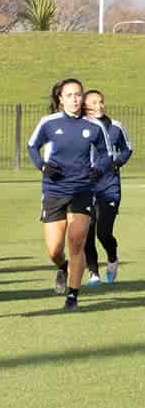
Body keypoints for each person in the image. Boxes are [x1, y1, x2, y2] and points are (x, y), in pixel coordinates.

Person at [27, 78, 112, 310]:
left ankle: (73, 296)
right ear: (60, 99)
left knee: (77, 242)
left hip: (82, 189)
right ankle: (62, 266)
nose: (75, 99)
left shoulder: (95, 126)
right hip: (54, 189)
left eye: (78, 94)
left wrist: (99, 170)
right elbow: (32, 146)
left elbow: (107, 155)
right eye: (70, 95)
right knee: (54, 249)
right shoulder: (49, 122)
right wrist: (42, 166)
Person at [81, 90, 131, 285]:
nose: (99, 106)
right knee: (87, 230)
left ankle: (112, 259)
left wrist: (117, 163)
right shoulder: (80, 128)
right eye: (94, 102)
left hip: (109, 187)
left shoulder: (116, 127)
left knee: (103, 231)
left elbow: (128, 148)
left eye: (101, 102)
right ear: (85, 106)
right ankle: (93, 274)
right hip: (85, 187)